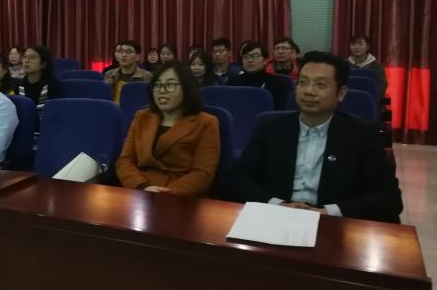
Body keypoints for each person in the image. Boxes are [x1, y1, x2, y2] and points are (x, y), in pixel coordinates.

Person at [230, 51, 402, 223]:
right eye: (303, 82)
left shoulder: (362, 135)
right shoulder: (270, 128)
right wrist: (278, 205)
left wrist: (329, 212)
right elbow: (237, 180)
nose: (309, 91)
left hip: (334, 224)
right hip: (276, 218)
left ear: (341, 93)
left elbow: (389, 199)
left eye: (320, 85)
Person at [116, 61, 220, 197]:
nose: (162, 90)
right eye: (157, 85)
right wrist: (142, 186)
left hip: (180, 196)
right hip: (140, 190)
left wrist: (165, 194)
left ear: (187, 88)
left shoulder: (206, 122)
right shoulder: (142, 116)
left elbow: (203, 173)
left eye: (170, 85)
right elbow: (125, 161)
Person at [227, 41, 291, 109]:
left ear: (265, 60)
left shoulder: (278, 83)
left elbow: (282, 111)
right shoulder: (232, 82)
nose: (250, 60)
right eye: (246, 56)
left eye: (255, 56)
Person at [13, 45, 62, 115]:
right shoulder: (18, 86)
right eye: (25, 57)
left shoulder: (54, 85)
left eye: (32, 57)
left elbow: (57, 113)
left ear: (43, 64)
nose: (26, 61)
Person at [348, 34, 388, 100]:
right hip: (349, 99)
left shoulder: (376, 65)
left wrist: (373, 97)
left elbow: (382, 84)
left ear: (367, 47)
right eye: (353, 44)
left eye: (360, 44)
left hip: (370, 100)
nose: (356, 47)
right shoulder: (345, 64)